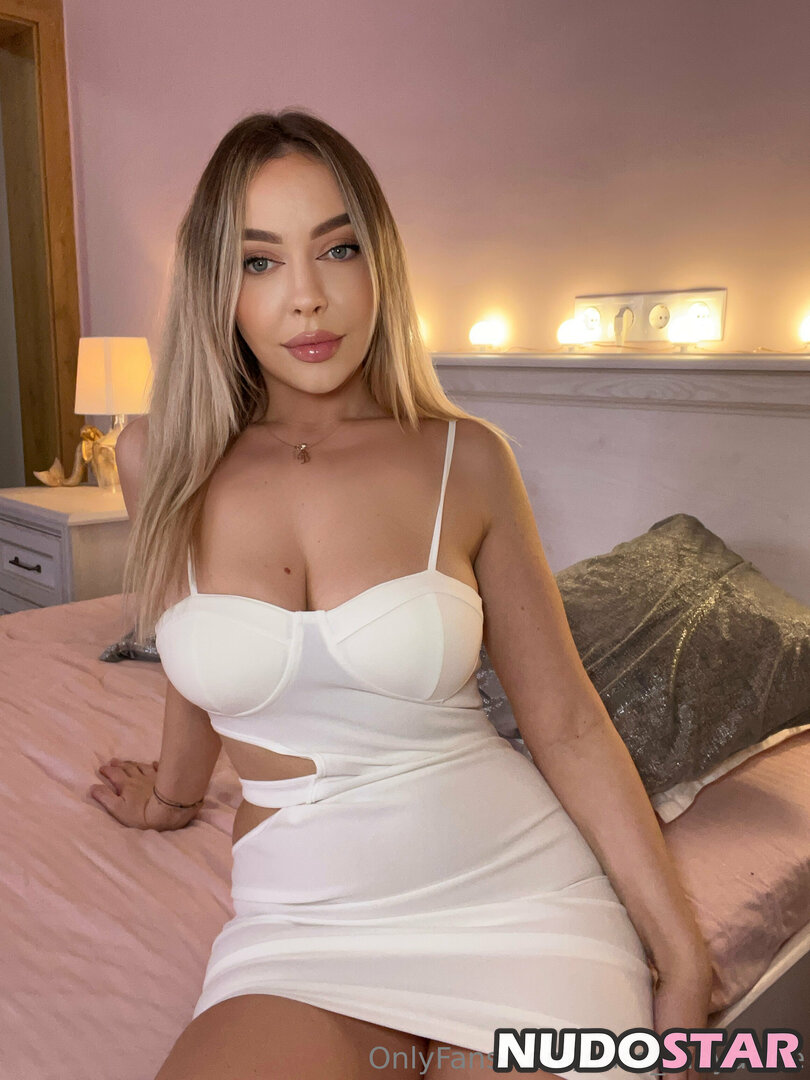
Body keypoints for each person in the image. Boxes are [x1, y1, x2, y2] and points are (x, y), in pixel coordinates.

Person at [88, 110, 712, 1080]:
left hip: (519, 905)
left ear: (379, 262)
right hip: (303, 929)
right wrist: (173, 798)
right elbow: (191, 649)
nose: (307, 297)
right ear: (218, 285)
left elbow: (567, 725)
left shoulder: (466, 459)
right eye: (261, 262)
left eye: (337, 249)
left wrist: (683, 957)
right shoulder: (157, 459)